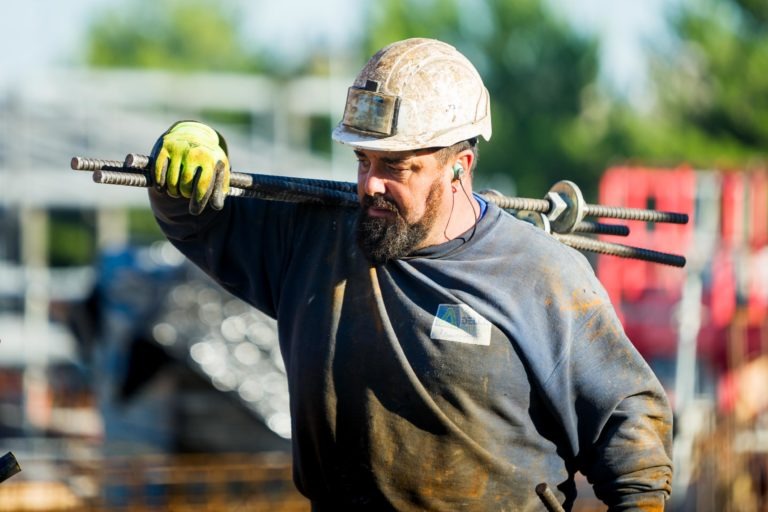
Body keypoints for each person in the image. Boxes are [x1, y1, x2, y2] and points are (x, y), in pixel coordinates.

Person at [148, 38, 673, 511]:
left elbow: (629, 429)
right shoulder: (314, 245)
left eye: (395, 167)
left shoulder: (536, 274)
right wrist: (186, 150)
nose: (369, 185)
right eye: (363, 160)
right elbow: (199, 222)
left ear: (459, 166)